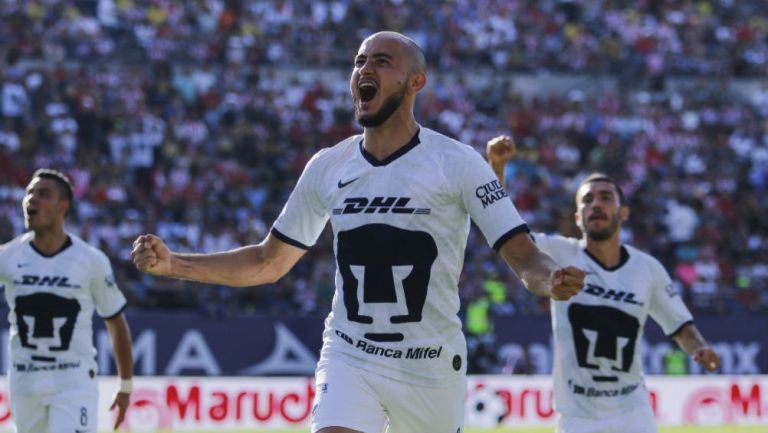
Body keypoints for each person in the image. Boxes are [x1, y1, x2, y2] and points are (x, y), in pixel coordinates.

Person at [131, 31, 585, 433]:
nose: (364, 69)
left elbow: (524, 256)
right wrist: (175, 264)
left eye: (381, 62)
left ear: (415, 83)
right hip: (352, 355)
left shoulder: (458, 163)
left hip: (430, 366)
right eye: (359, 62)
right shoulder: (327, 166)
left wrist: (550, 279)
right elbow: (268, 262)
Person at [486, 135, 721, 433]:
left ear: (623, 212)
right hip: (577, 416)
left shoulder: (647, 269)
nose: (596, 204)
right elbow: (506, 235)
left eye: (606, 197)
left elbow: (681, 327)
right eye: (587, 200)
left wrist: (700, 348)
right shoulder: (556, 252)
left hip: (634, 413)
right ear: (577, 216)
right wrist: (496, 169)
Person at [0, 169, 133, 432]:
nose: (32, 200)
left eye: (43, 194)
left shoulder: (91, 260)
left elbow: (115, 323)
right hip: (25, 382)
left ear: (63, 206)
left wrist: (125, 385)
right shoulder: (8, 256)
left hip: (73, 381)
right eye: (29, 193)